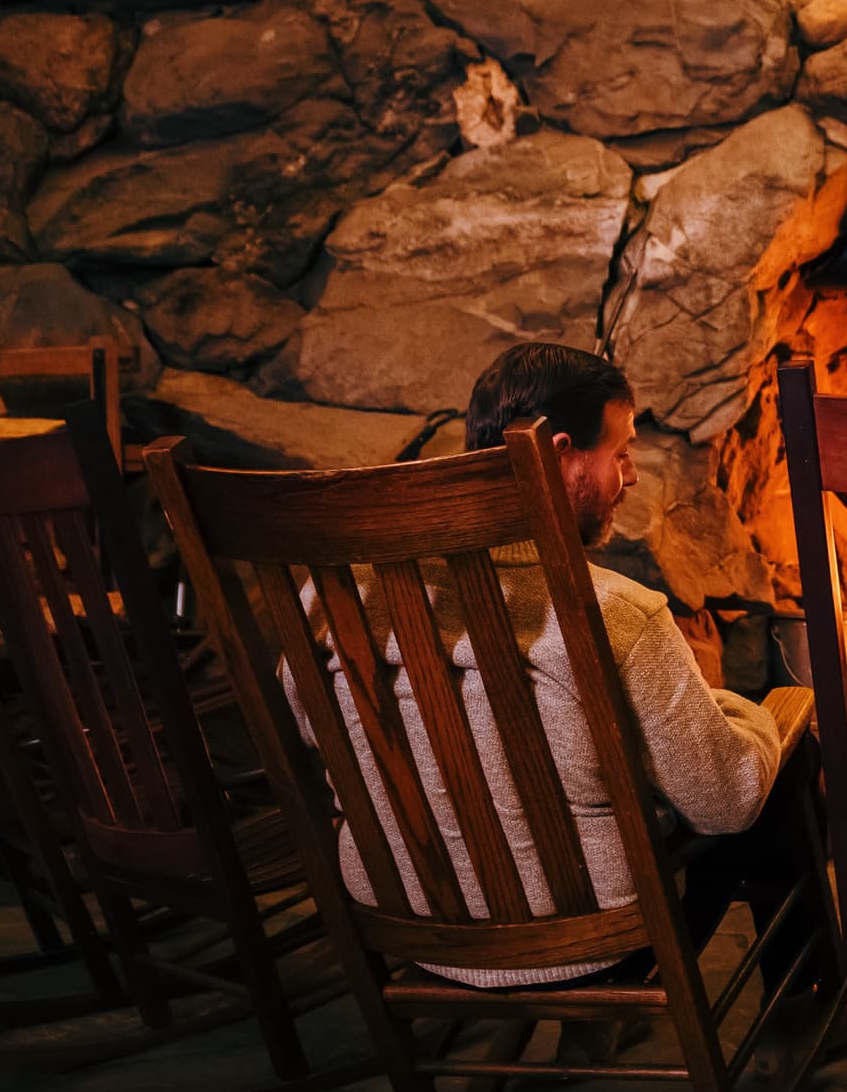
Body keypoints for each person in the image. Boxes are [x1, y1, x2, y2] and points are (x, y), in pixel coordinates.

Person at [307, 343, 816, 993]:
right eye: (621, 453)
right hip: (591, 942)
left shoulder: (340, 600)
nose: (630, 477)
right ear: (560, 453)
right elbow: (728, 800)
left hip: (408, 926)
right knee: (781, 763)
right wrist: (754, 712)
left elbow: (316, 734)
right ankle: (808, 1000)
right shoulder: (616, 613)